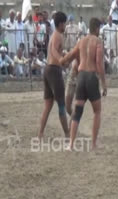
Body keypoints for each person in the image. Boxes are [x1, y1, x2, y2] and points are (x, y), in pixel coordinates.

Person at [60, 17, 107, 150]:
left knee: (78, 112)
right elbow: (99, 64)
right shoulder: (98, 41)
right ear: (97, 29)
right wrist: (104, 84)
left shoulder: (81, 41)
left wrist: (61, 61)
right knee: (97, 111)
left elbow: (71, 55)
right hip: (91, 77)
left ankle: (71, 144)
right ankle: (93, 144)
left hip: (80, 78)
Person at [38, 11, 69, 141]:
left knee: (48, 105)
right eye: (65, 23)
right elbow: (53, 51)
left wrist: (62, 59)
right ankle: (68, 134)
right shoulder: (58, 36)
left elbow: (53, 51)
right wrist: (62, 60)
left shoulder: (53, 35)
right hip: (54, 71)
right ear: (61, 23)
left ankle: (40, 134)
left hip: (48, 69)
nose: (66, 26)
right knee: (61, 104)